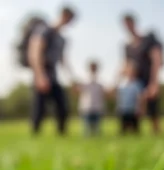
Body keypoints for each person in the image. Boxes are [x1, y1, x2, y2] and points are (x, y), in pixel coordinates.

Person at [27, 6, 76, 135]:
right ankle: (35, 134)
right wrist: (39, 75)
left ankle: (62, 133)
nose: (68, 22)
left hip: (53, 75)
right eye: (69, 19)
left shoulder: (61, 39)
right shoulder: (44, 30)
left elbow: (63, 60)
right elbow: (35, 52)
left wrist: (72, 79)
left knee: (62, 105)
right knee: (39, 108)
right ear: (63, 15)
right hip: (42, 71)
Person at [121, 12, 164, 135]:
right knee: (134, 108)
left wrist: (154, 82)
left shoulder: (149, 39)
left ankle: (156, 132)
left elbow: (157, 59)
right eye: (125, 25)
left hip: (148, 78)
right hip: (135, 82)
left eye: (129, 24)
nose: (128, 27)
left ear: (134, 23)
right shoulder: (127, 46)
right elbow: (125, 65)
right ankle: (135, 132)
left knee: (153, 106)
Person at [113, 59, 145, 134]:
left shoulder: (137, 84)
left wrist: (140, 108)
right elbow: (116, 94)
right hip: (123, 109)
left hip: (133, 110)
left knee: (135, 130)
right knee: (123, 130)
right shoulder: (121, 83)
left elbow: (140, 97)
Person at [74, 60, 105, 136]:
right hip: (87, 107)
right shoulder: (84, 80)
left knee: (96, 129)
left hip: (97, 107)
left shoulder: (100, 81)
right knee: (87, 129)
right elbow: (77, 91)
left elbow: (103, 94)